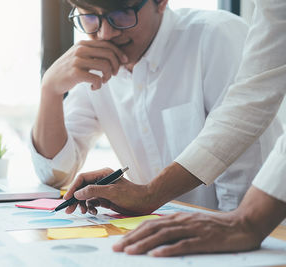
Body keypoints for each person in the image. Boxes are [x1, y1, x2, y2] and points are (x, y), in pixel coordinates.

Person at [66, 0, 286, 256]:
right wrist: (149, 193)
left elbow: (249, 116)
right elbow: (249, 102)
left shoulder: (216, 34)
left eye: (122, 13)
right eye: (90, 16)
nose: (105, 34)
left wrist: (245, 221)